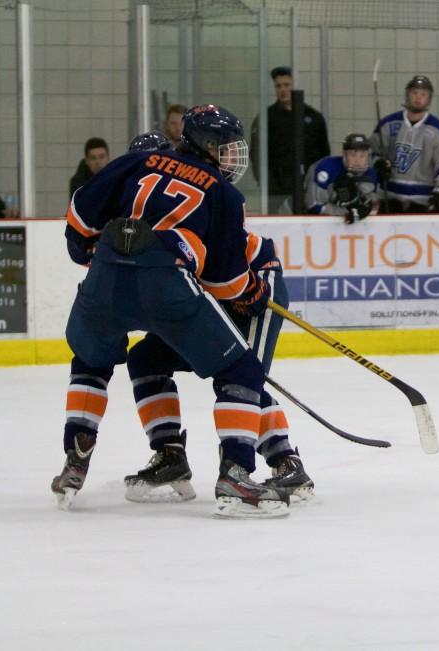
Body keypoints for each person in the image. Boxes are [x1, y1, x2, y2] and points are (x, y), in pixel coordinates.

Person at [53, 104, 291, 518]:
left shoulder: (137, 161)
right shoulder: (223, 193)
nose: (232, 156)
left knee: (92, 359)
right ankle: (236, 476)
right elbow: (227, 282)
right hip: (166, 284)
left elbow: (78, 217)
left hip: (106, 275)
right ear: (207, 144)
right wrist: (251, 295)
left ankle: (76, 457)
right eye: (227, 147)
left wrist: (87, 249)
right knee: (242, 371)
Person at [119, 130, 314, 505]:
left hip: (252, 287)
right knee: (146, 359)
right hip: (216, 295)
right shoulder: (144, 208)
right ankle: (170, 454)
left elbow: (227, 263)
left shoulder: (197, 193)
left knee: (240, 377)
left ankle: (284, 462)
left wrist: (246, 290)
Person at [370, 75, 439, 214]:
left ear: (429, 99)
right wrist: (377, 164)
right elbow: (372, 152)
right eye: (414, 93)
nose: (418, 98)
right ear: (407, 95)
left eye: (423, 94)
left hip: (423, 201)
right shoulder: (388, 124)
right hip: (390, 199)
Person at [250, 66, 331, 213]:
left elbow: (323, 153)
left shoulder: (313, 118)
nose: (283, 90)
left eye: (287, 85)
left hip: (308, 187)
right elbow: (256, 155)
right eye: (278, 86)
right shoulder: (266, 118)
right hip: (277, 190)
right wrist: (267, 183)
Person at [305, 133, 380, 223]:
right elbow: (313, 204)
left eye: (362, 155)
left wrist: (366, 209)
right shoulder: (325, 167)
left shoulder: (371, 174)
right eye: (353, 155)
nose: (357, 160)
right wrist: (347, 213)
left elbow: (373, 204)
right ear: (344, 155)